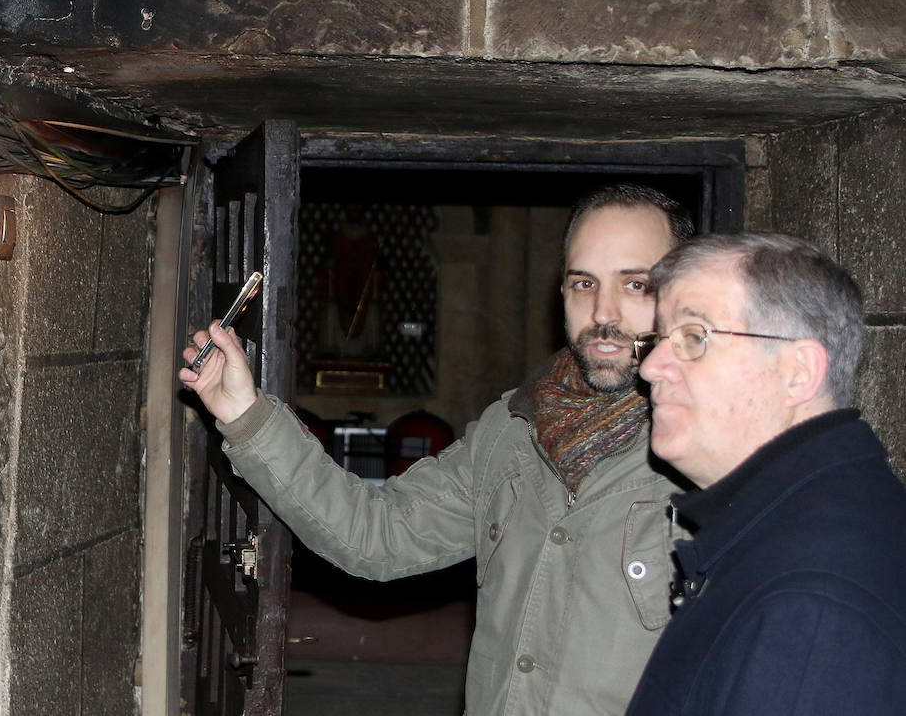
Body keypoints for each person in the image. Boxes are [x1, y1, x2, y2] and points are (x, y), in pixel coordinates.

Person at [179, 184, 694, 716]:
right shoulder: (512, 431)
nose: (603, 311)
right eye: (584, 282)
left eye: (636, 284)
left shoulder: (715, 458)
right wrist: (245, 413)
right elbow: (376, 534)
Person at [624, 232, 906, 715]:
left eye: (694, 337)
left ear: (798, 372)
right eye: (656, 339)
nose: (650, 367)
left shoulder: (813, 608)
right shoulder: (790, 524)